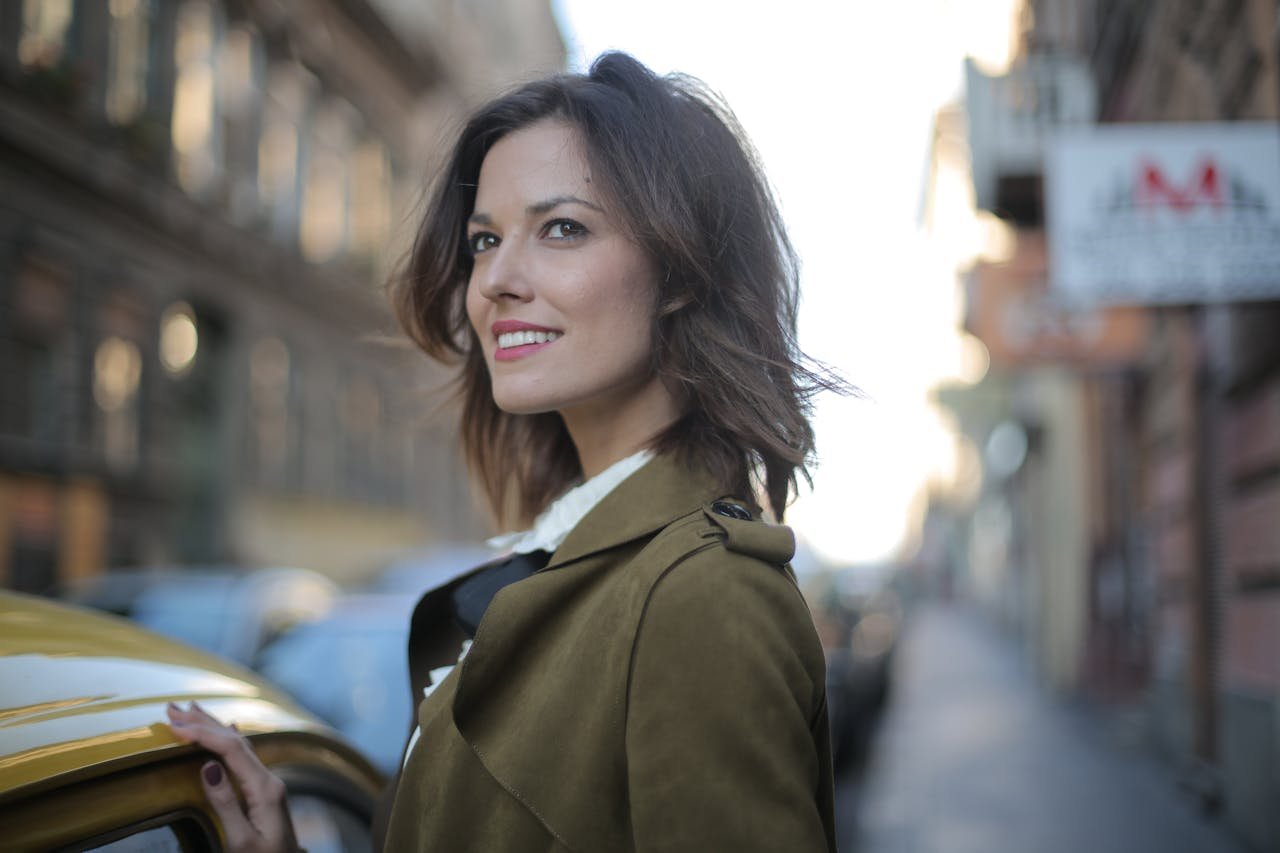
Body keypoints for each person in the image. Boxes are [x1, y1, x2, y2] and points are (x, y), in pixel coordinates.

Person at [166, 51, 843, 852]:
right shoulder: (570, 560)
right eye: (485, 239)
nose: (493, 281)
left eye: (562, 228)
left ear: (679, 272)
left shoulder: (700, 595)